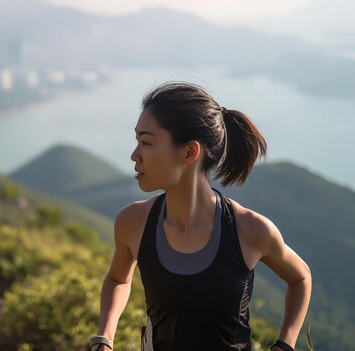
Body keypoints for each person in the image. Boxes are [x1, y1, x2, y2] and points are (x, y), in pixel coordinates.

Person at [89, 82, 312, 351]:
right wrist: (104, 338)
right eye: (137, 141)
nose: (134, 155)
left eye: (146, 142)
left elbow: (300, 278)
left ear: (189, 152)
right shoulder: (132, 222)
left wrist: (285, 344)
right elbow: (118, 278)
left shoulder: (250, 229)